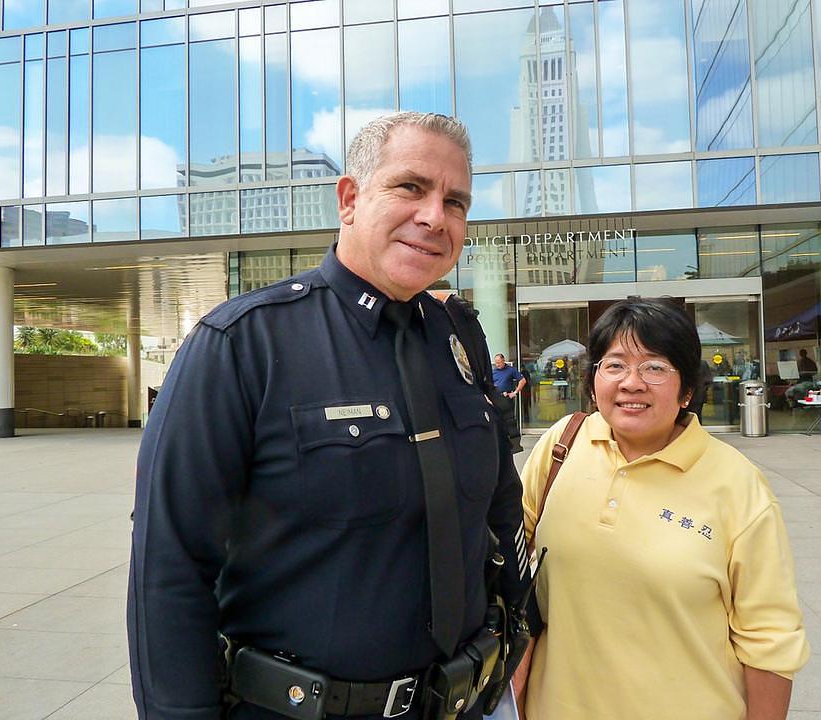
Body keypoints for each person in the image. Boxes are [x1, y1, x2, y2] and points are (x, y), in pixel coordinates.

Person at [128, 112, 531, 720]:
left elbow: (498, 499)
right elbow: (170, 567)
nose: (434, 217)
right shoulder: (242, 344)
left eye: (455, 202)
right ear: (349, 198)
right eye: (411, 188)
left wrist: (518, 629)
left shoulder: (459, 337)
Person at [518, 298, 809, 720]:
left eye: (655, 367)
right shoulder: (563, 444)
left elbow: (770, 640)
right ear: (594, 378)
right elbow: (510, 567)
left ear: (688, 388)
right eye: (614, 364)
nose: (631, 383)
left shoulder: (737, 484)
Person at [493, 353, 526, 452]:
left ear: (503, 361)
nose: (497, 365)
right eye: (496, 363)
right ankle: (501, 444)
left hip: (506, 397)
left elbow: (523, 380)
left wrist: (515, 392)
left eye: (499, 362)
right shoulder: (493, 372)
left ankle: (515, 445)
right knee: (498, 421)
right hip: (496, 398)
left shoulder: (511, 370)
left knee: (510, 421)